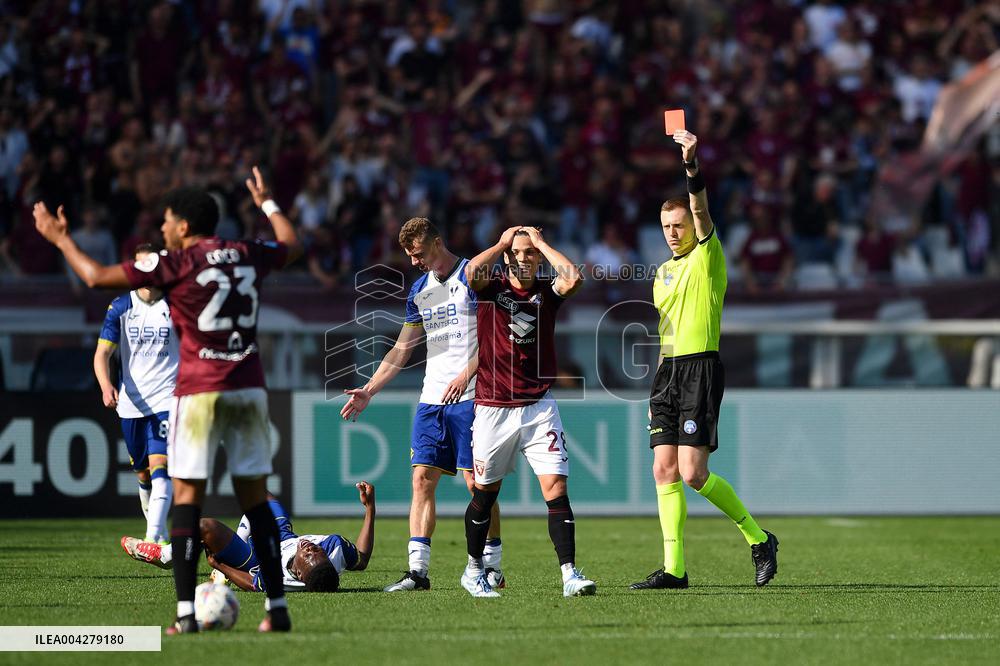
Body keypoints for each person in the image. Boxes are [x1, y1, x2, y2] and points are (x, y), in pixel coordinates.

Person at [33, 166, 304, 633]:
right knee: (256, 502)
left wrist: (60, 240)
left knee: (186, 501)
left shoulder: (176, 263)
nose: (161, 229)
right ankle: (276, 611)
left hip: (198, 394)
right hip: (247, 391)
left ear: (183, 226)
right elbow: (292, 245)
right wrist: (268, 203)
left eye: (165, 221)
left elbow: (96, 277)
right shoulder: (246, 252)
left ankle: (184, 616)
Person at [630, 130, 779, 591]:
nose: (673, 233)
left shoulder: (707, 257)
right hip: (669, 372)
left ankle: (759, 538)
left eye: (679, 225)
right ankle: (674, 569)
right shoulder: (662, 273)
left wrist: (691, 165)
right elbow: (665, 333)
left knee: (694, 474)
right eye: (666, 227)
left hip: (701, 369)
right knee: (663, 468)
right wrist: (656, 388)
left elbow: (700, 206)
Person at [341, 217, 506, 593]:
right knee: (421, 479)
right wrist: (370, 389)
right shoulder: (420, 290)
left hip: (473, 396)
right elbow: (402, 349)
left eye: (417, 253)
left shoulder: (472, 277)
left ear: (436, 242)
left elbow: (494, 338)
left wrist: (467, 373)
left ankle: (492, 566)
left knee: (476, 485)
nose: (413, 261)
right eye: (409, 255)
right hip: (432, 399)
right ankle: (418, 572)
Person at [460, 225, 595, 598]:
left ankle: (569, 574)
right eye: (516, 253)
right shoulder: (492, 289)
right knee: (485, 492)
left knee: (556, 487)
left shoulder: (546, 293)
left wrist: (541, 243)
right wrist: (504, 242)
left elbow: (574, 278)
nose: (523, 258)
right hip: (493, 406)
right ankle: (474, 570)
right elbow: (471, 272)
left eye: (529, 253)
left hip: (538, 406)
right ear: (506, 257)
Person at [122, 483, 375, 594]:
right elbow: (362, 560)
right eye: (316, 552)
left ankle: (164, 556)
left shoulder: (278, 578)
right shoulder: (335, 548)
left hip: (254, 558)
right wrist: (370, 508)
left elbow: (251, 583)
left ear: (298, 573)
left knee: (205, 526)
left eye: (308, 555)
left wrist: (220, 566)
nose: (311, 548)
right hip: (283, 535)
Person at [95, 243, 178, 547]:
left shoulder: (177, 304)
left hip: (167, 399)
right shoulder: (120, 307)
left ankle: (151, 538)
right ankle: (158, 532)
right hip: (131, 403)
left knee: (161, 467)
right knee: (142, 473)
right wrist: (106, 385)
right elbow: (102, 354)